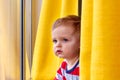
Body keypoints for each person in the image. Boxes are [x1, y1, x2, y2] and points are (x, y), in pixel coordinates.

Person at [52, 15, 80, 80]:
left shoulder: (82, 66)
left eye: (65, 40)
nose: (57, 45)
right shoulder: (64, 65)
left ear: (80, 43)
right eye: (55, 41)